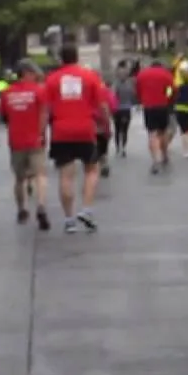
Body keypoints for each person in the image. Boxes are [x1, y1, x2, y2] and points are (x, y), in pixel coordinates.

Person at [42, 44, 112, 234]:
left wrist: (42, 132)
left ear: (60, 59)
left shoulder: (52, 79)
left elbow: (46, 109)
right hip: (85, 129)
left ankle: (69, 219)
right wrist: (106, 124)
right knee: (92, 170)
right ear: (77, 57)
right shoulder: (90, 77)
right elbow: (102, 105)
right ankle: (86, 209)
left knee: (66, 175)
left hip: (61, 130)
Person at [0, 61, 52, 230]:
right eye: (34, 72)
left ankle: (22, 209)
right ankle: (41, 206)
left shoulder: (7, 93)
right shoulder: (39, 91)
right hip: (35, 139)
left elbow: (4, 116)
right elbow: (44, 114)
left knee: (19, 178)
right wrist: (41, 133)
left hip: (16, 141)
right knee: (40, 175)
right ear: (27, 73)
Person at [134, 57, 176, 174]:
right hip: (163, 106)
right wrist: (167, 97)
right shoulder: (166, 74)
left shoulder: (142, 75)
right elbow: (172, 89)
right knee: (163, 131)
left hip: (149, 106)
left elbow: (137, 90)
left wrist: (142, 99)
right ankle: (164, 154)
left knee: (152, 133)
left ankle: (156, 159)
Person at [111, 63, 137, 158]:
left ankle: (120, 148)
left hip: (120, 109)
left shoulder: (115, 84)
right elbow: (133, 95)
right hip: (124, 109)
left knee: (119, 129)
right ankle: (121, 148)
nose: (122, 75)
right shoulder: (129, 84)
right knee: (121, 129)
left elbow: (112, 96)